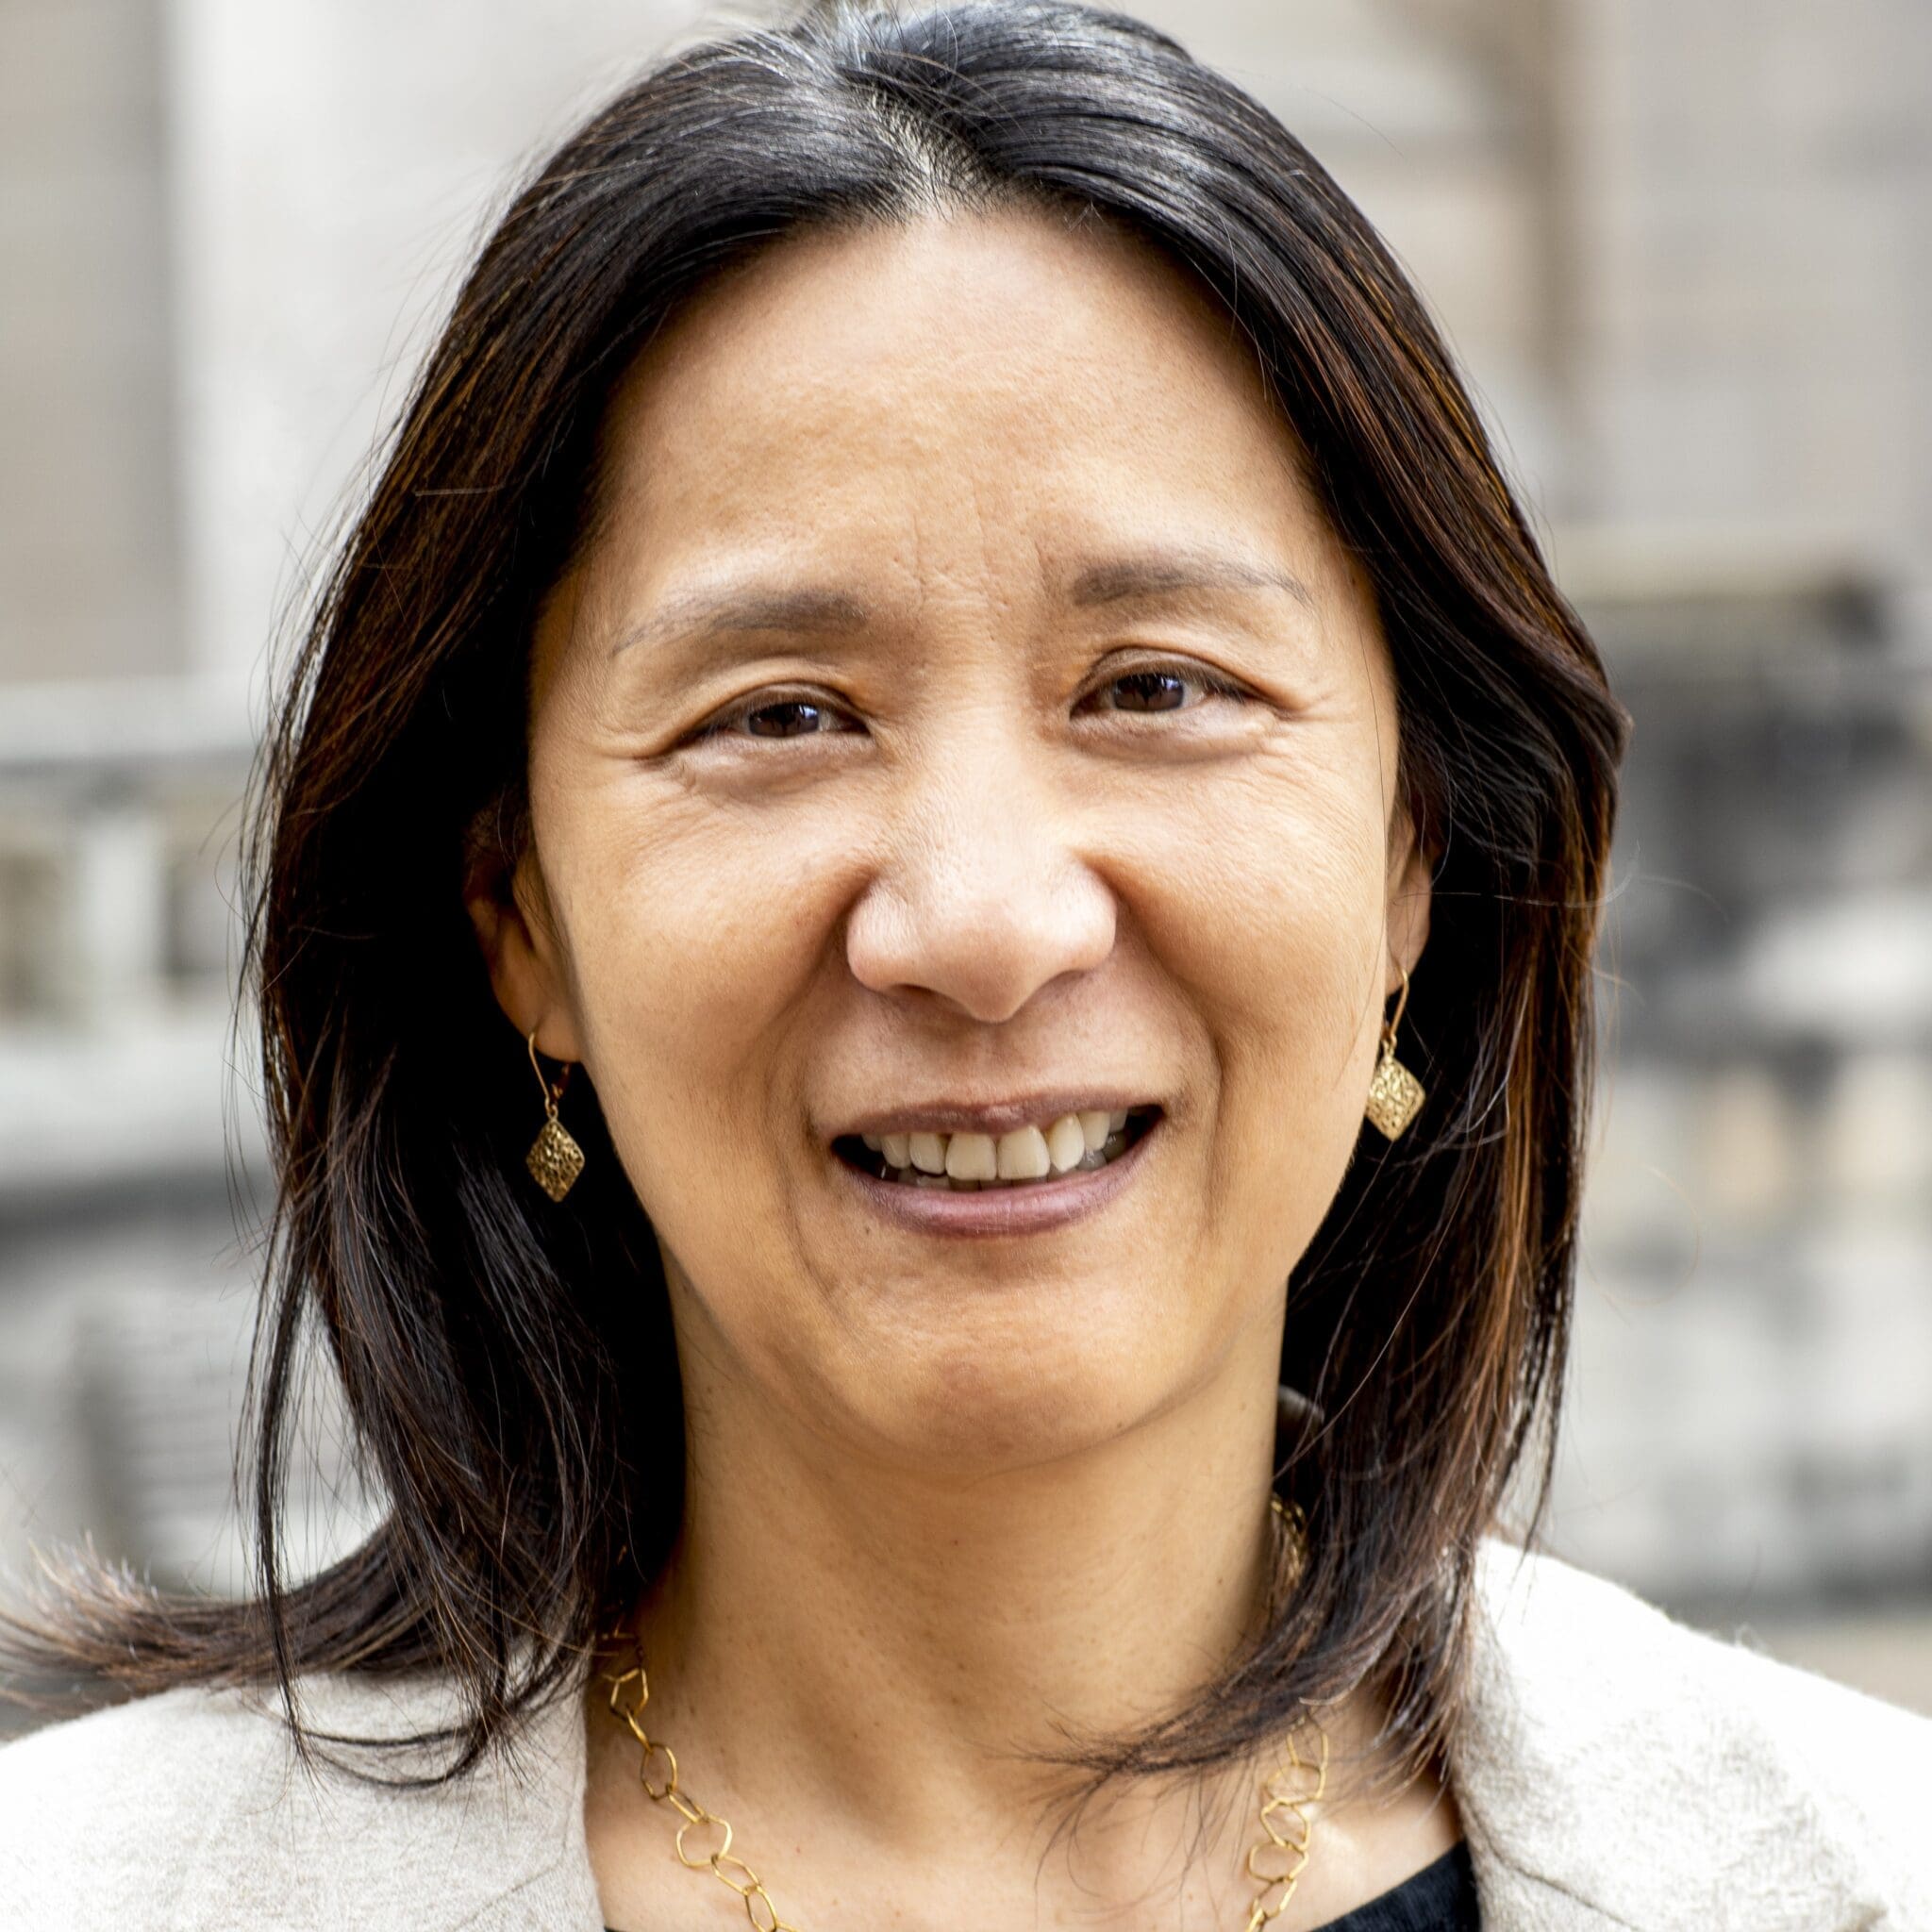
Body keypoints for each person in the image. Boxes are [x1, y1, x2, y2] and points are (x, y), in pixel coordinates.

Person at [2, 4, 1925, 1928]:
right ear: (517, 924)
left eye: (1157, 687)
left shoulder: (1843, 1868)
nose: (987, 925)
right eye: (778, 716)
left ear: (1414, 854)